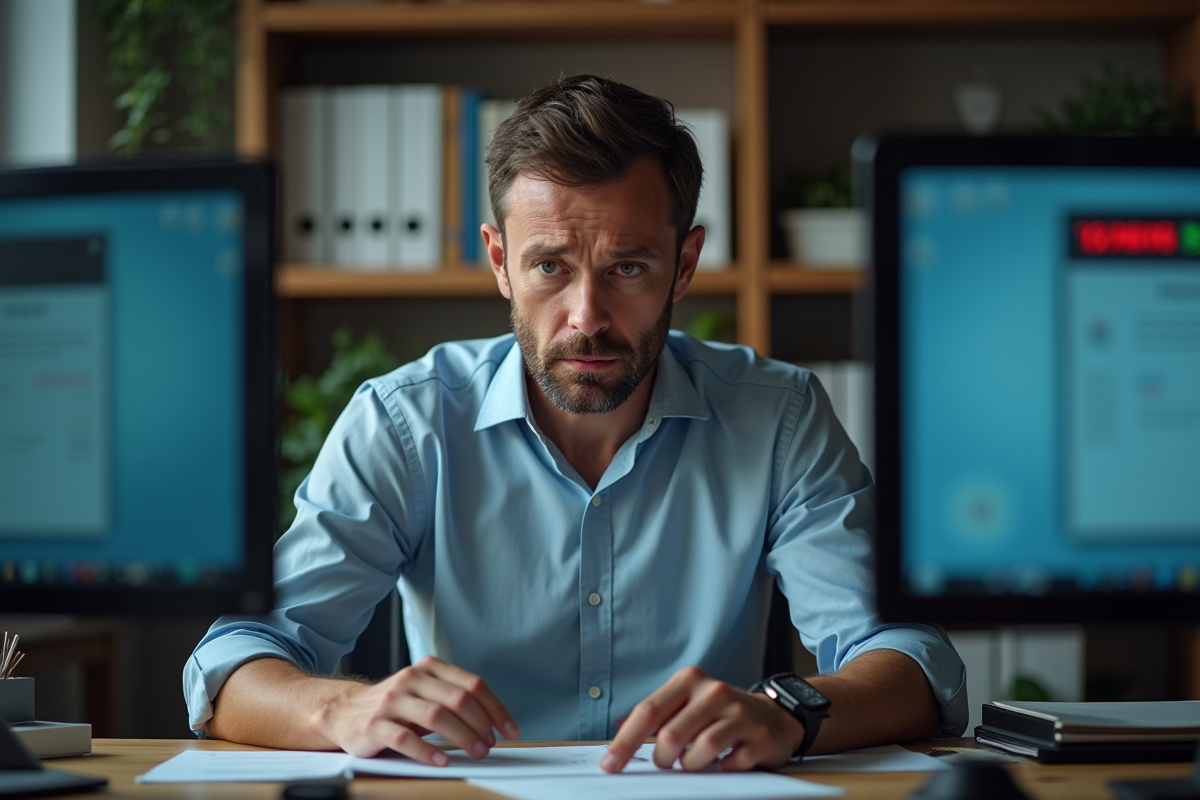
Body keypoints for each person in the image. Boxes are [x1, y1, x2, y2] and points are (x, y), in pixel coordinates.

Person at [186, 74, 966, 773]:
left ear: (684, 265)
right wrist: (341, 708)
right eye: (550, 266)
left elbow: (910, 660)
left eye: (627, 267)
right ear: (499, 262)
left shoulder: (779, 417)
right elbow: (232, 666)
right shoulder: (405, 421)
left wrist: (789, 713)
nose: (586, 318)